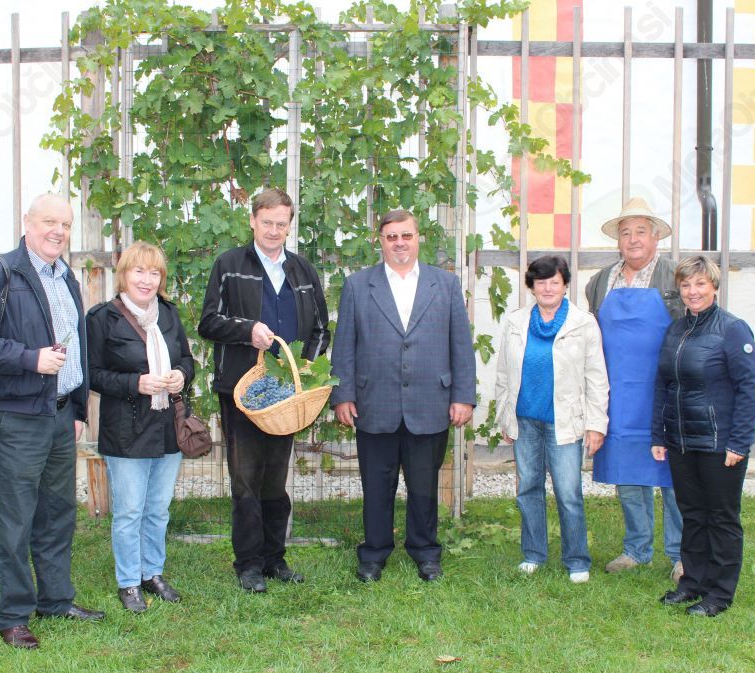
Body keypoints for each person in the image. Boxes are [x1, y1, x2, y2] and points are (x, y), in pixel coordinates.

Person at [0, 193, 103, 650]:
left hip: (60, 416)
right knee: (18, 518)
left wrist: (77, 410)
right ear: (28, 223)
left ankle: (56, 600)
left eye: (65, 224)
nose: (58, 231)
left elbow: (77, 348)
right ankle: (14, 616)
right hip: (19, 417)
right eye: (49, 222)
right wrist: (28, 359)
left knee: (58, 514)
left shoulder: (65, 276)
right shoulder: (2, 273)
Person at [330, 209, 477, 583]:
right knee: (376, 486)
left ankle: (426, 553)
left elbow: (461, 345)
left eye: (406, 235)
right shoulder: (358, 286)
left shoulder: (445, 284)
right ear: (380, 241)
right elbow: (344, 345)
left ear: (418, 238)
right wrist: (343, 395)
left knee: (424, 486)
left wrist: (463, 396)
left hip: (430, 402)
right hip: (373, 403)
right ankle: (373, 554)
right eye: (391, 236)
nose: (399, 243)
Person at [198, 187, 331, 593]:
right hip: (242, 393)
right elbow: (208, 322)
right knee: (245, 481)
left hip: (286, 395)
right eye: (267, 222)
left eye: (281, 224)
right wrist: (246, 330)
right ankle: (249, 565)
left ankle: (275, 560)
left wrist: (305, 371)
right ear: (253, 221)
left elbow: (321, 329)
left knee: (275, 481)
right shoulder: (229, 265)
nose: (274, 230)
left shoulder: (303, 270)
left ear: (290, 226)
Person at [86, 241, 195, 613]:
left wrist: (181, 375)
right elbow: (92, 374)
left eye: (154, 273)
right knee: (130, 511)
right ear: (124, 274)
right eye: (139, 271)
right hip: (126, 429)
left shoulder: (168, 314)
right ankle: (129, 581)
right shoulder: (102, 318)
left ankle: (153, 573)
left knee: (158, 509)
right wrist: (136, 383)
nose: (146, 280)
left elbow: (187, 359)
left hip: (167, 427)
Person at [653, 256, 755, 616]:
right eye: (686, 285)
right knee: (693, 514)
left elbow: (749, 388)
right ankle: (692, 583)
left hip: (720, 444)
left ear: (714, 286)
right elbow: (663, 384)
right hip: (681, 441)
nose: (693, 291)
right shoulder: (675, 329)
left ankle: (719, 593)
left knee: (721, 518)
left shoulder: (733, 330)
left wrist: (739, 442)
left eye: (700, 284)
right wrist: (658, 434)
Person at [585, 196, 685, 582]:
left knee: (674, 477)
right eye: (626, 233)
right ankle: (636, 549)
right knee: (627, 472)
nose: (633, 239)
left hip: (666, 392)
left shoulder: (675, 277)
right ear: (618, 240)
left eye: (641, 231)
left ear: (656, 237)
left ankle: (681, 554)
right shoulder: (600, 282)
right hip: (619, 396)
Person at [494, 256, 609, 584]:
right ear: (531, 286)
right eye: (540, 282)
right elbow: (503, 374)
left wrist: (596, 424)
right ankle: (533, 554)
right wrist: (505, 417)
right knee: (528, 488)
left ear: (565, 285)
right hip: (525, 421)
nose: (547, 288)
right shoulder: (516, 322)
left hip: (564, 422)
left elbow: (596, 377)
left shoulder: (583, 324)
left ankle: (577, 559)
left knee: (568, 492)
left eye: (554, 282)